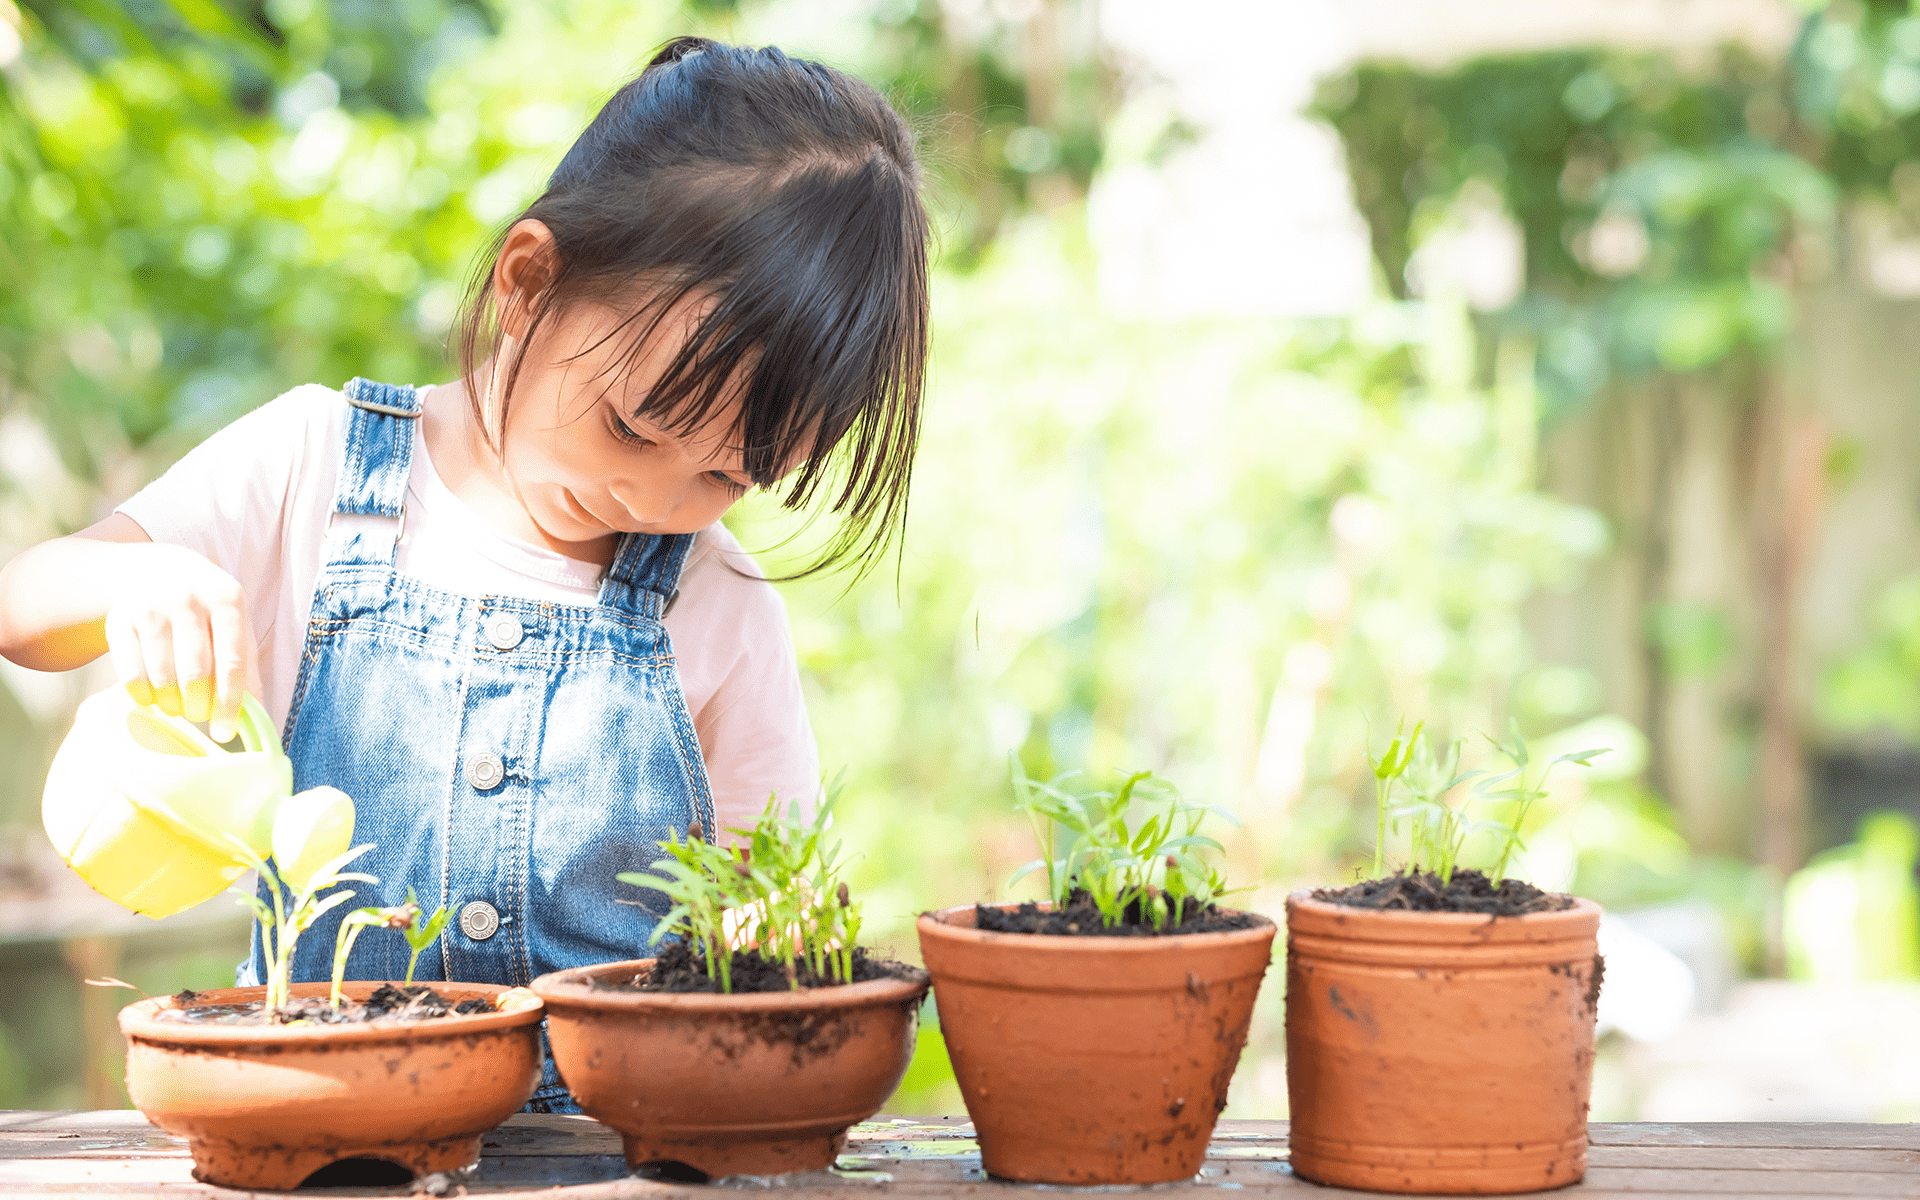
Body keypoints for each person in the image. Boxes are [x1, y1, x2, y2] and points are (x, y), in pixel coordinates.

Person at [0, 36, 928, 1111]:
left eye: (729, 472)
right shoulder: (313, 463)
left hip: (606, 1157)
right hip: (316, 1120)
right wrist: (135, 580)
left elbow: (767, 914)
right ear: (530, 282)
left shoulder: (718, 605)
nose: (656, 502)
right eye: (631, 424)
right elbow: (23, 606)